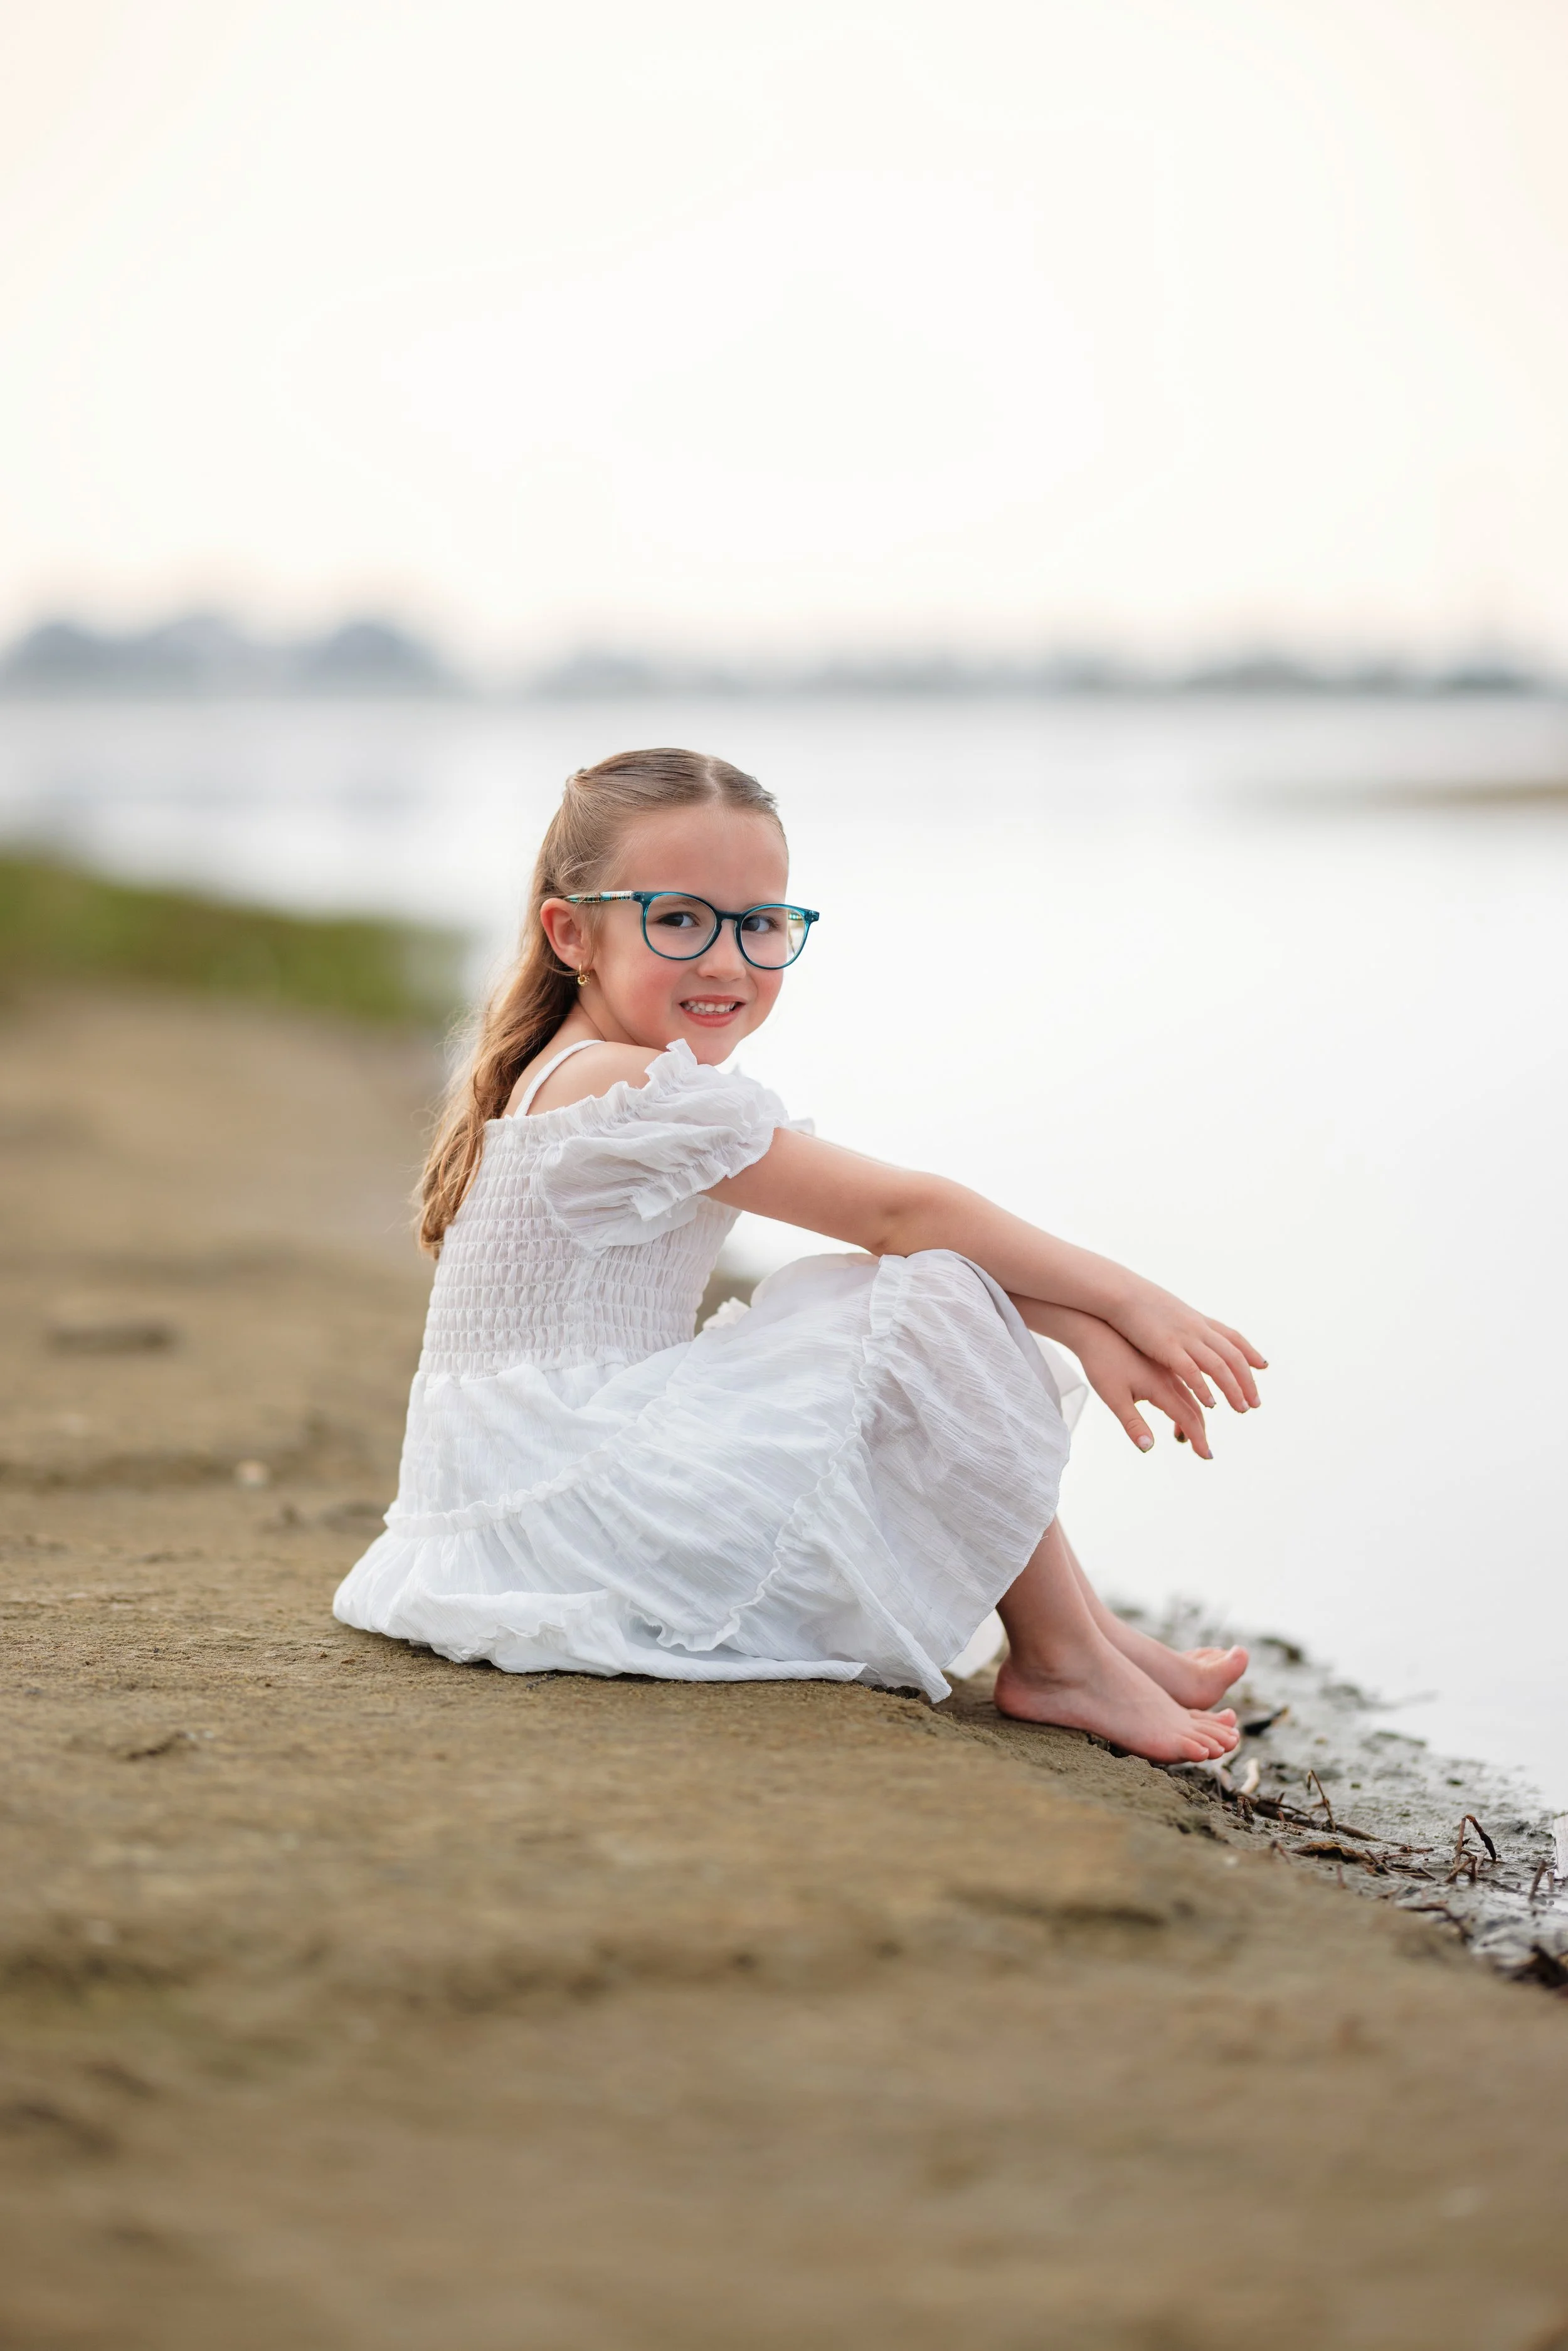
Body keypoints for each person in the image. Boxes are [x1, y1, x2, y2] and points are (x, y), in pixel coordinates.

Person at [335, 748, 1266, 1765]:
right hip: (566, 1506)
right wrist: (1129, 1304)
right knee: (923, 1300)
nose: (727, 961)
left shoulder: (578, 1066)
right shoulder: (623, 1086)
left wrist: (1081, 1325)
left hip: (511, 1488)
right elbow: (905, 1214)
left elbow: (914, 1234)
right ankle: (1062, 1659)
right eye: (679, 919)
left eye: (761, 923)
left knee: (918, 1295)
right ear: (572, 934)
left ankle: (1091, 1638)